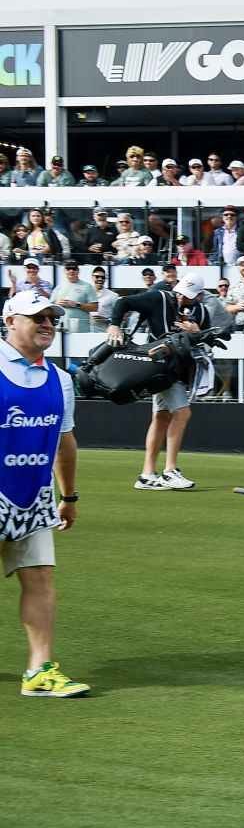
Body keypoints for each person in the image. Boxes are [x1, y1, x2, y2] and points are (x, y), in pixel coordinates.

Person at [2, 292, 89, 697]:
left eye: (52, 317)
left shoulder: (60, 379)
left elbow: (63, 441)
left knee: (40, 579)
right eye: (37, 317)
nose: (47, 324)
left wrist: (68, 497)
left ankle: (39, 670)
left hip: (33, 498)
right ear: (10, 322)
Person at [105, 273, 214, 490]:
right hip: (159, 367)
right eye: (181, 292)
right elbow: (123, 301)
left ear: (199, 295)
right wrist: (114, 325)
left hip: (180, 370)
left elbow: (209, 339)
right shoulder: (159, 298)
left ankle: (146, 475)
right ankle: (170, 470)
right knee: (183, 413)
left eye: (189, 295)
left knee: (161, 418)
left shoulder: (201, 311)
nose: (182, 297)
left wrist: (196, 331)